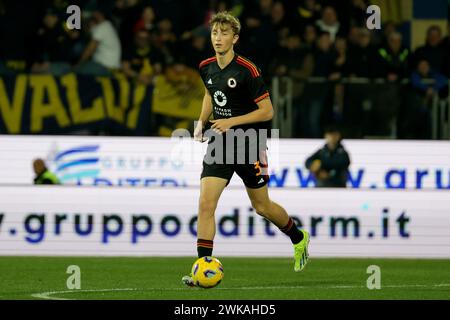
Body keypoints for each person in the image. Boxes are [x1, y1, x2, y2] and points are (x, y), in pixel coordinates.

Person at [182, 11, 310, 287]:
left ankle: (298, 238)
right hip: (220, 143)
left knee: (262, 207)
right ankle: (202, 267)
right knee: (205, 204)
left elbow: (267, 111)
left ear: (235, 38)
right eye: (215, 33)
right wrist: (201, 122)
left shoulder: (247, 70)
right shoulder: (206, 66)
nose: (218, 38)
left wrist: (231, 122)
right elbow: (208, 93)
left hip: (249, 144)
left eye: (224, 33)